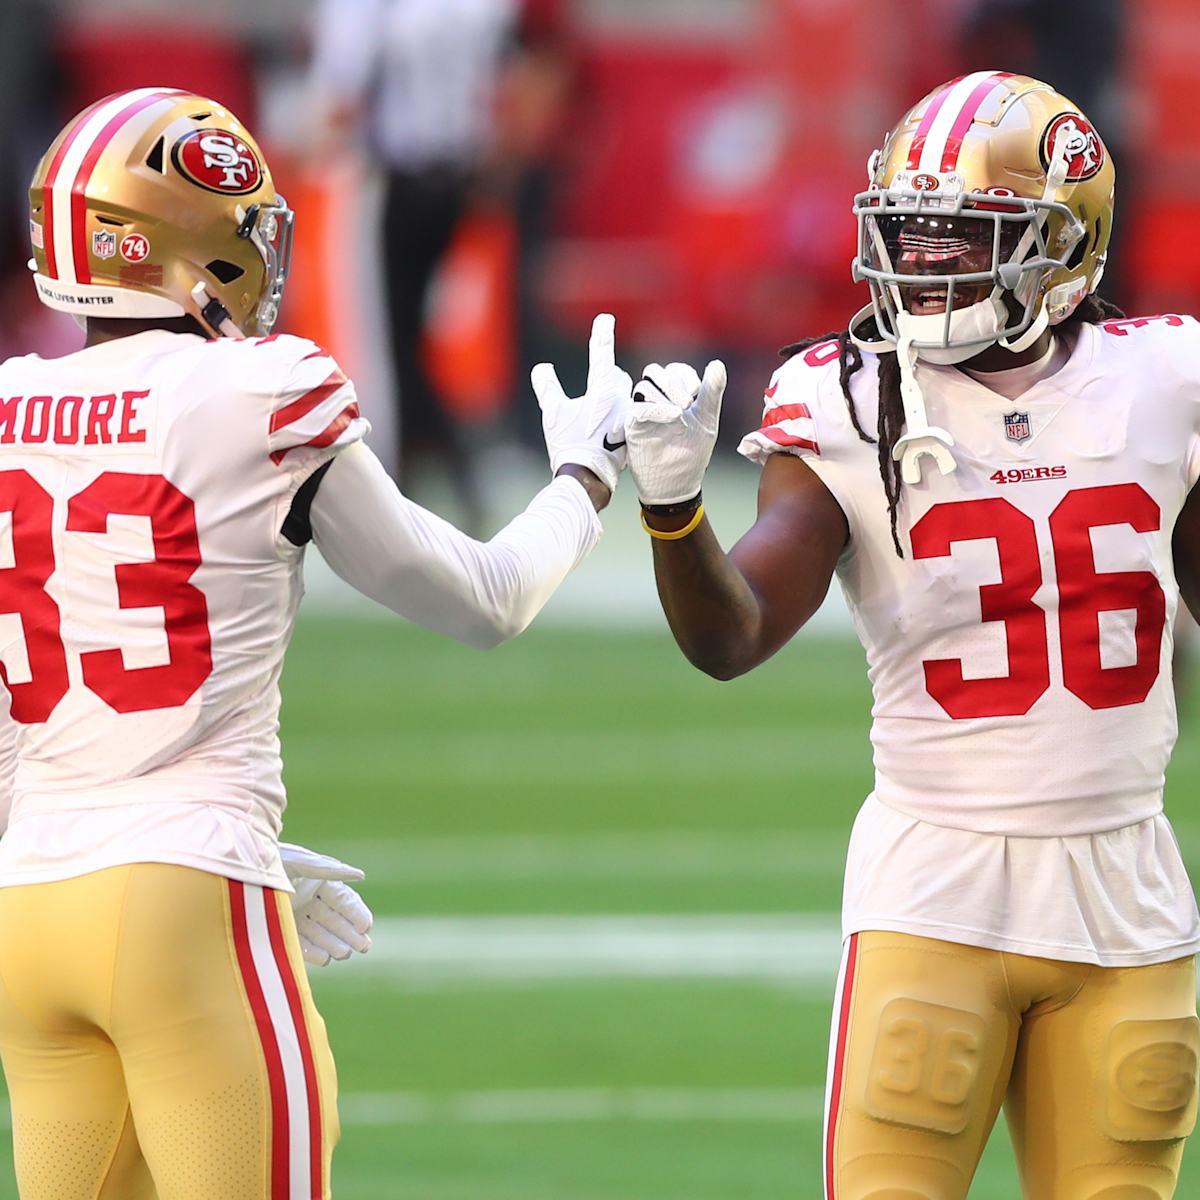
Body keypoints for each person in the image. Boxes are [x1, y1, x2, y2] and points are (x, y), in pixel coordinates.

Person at [0, 88, 630, 1200]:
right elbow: (483, 599)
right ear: (191, 234)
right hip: (188, 895)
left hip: (27, 908)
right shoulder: (263, 390)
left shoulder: (10, 406)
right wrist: (585, 477)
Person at [621, 71, 1200, 1198]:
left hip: (1127, 885)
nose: (923, 265)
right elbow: (732, 637)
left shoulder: (1167, 379)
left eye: (965, 239)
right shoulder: (845, 401)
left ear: (1064, 244)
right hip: (935, 888)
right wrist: (671, 510)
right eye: (909, 235)